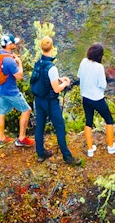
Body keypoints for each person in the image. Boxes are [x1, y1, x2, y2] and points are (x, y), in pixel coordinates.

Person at [31, 36, 81, 165]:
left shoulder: (38, 63)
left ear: (41, 48)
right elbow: (56, 89)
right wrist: (65, 83)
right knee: (60, 127)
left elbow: (43, 78)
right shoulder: (52, 67)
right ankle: (67, 156)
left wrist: (59, 78)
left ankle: (40, 153)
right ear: (52, 48)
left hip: (39, 100)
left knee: (40, 127)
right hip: (50, 102)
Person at [77, 43, 115, 157]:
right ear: (100, 56)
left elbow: (79, 76)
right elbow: (102, 85)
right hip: (97, 98)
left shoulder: (83, 62)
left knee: (88, 122)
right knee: (109, 120)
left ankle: (90, 149)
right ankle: (111, 146)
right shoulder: (99, 67)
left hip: (85, 97)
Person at [0, 33, 35, 148]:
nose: (15, 44)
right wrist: (19, 63)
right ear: (9, 45)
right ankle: (21, 138)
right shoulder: (10, 61)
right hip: (10, 90)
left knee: (1, 113)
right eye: (13, 43)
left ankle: (1, 138)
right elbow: (19, 76)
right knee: (26, 110)